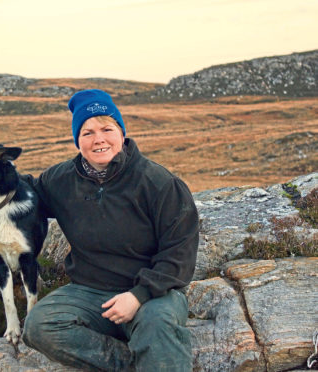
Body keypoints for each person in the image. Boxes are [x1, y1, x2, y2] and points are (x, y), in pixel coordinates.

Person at [21, 89, 199, 371]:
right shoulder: (60, 180)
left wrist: (138, 296)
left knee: (158, 325)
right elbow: (25, 197)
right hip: (90, 292)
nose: (98, 139)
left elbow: (180, 253)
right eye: (87, 132)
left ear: (121, 132)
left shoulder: (159, 183)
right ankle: (135, 365)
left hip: (154, 293)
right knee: (39, 326)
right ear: (77, 140)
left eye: (107, 128)